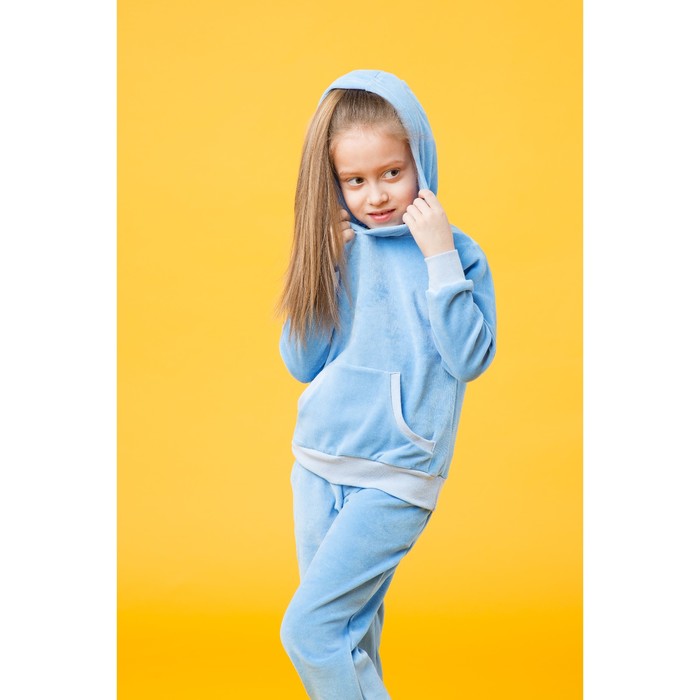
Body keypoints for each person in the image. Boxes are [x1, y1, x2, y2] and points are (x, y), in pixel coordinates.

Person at [274, 69, 497, 699]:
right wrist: (322, 267)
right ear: (334, 181)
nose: (375, 195)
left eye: (392, 173)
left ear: (419, 161)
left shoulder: (454, 253)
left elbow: (470, 358)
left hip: (397, 473)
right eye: (355, 180)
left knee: (311, 631)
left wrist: (439, 257)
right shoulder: (339, 246)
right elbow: (300, 361)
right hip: (317, 463)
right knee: (351, 637)